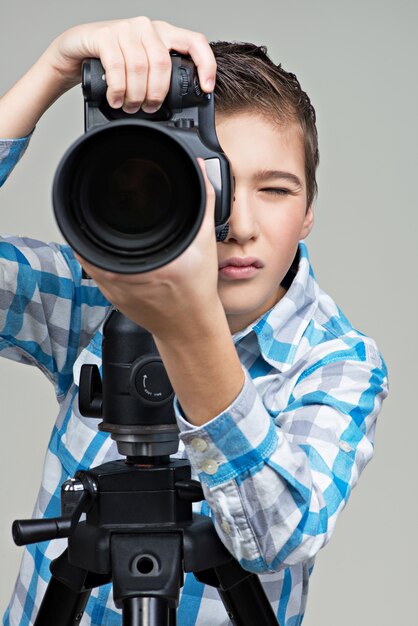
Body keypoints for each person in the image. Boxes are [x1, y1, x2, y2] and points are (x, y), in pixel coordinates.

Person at [0, 16, 388, 626]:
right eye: (213, 186)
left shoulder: (335, 359)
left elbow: (276, 540)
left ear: (310, 208)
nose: (238, 223)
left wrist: (187, 326)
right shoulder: (98, 294)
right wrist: (51, 72)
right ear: (159, 191)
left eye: (277, 190)